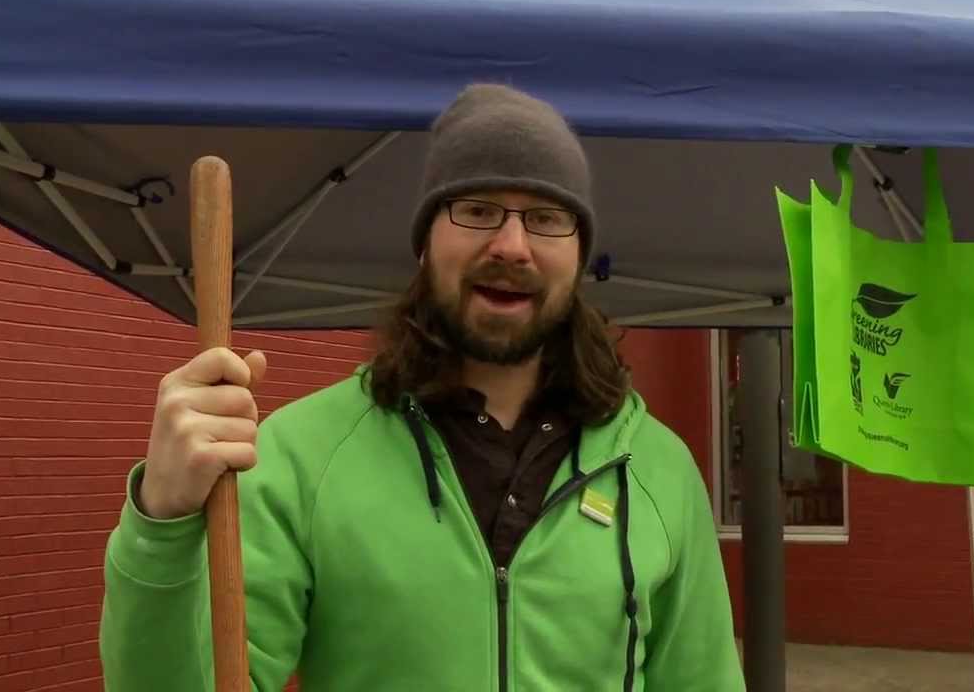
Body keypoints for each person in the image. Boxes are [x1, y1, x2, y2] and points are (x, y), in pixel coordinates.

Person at [99, 83, 745, 691]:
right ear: (424, 244)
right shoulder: (300, 457)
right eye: (477, 210)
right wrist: (163, 521)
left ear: (579, 258)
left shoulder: (658, 470)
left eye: (547, 217)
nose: (512, 244)